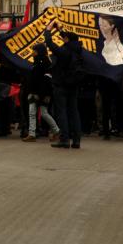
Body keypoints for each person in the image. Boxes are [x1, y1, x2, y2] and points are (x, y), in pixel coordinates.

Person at [44, 21, 83, 149]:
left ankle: (65, 139)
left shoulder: (64, 51)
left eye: (64, 37)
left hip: (61, 85)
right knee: (74, 112)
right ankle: (76, 140)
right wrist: (60, 29)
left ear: (67, 40)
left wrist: (48, 30)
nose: (62, 38)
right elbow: (68, 38)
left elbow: (49, 43)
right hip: (74, 85)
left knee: (62, 112)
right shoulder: (78, 50)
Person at [22, 43, 60, 142]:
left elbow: (45, 81)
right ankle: (32, 134)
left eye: (34, 50)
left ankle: (57, 131)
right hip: (35, 93)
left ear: (39, 51)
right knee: (33, 113)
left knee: (43, 113)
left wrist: (40, 94)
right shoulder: (37, 62)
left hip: (41, 94)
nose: (32, 52)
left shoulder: (45, 64)